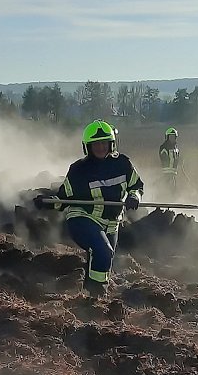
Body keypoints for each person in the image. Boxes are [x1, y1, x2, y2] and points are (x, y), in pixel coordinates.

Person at [33, 120, 144, 297]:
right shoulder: (79, 170)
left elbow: (136, 186)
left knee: (103, 259)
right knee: (103, 251)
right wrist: (47, 202)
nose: (100, 147)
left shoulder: (123, 164)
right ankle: (97, 296)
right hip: (83, 218)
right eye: (95, 144)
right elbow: (64, 199)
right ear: (88, 147)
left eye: (104, 143)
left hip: (111, 224)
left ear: (111, 144)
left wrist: (134, 197)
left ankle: (88, 297)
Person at [159, 127, 180, 191]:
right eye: (170, 137)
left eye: (173, 137)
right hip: (167, 173)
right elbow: (163, 158)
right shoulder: (164, 147)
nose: (172, 139)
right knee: (167, 190)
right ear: (167, 137)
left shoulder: (176, 148)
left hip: (173, 173)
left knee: (173, 190)